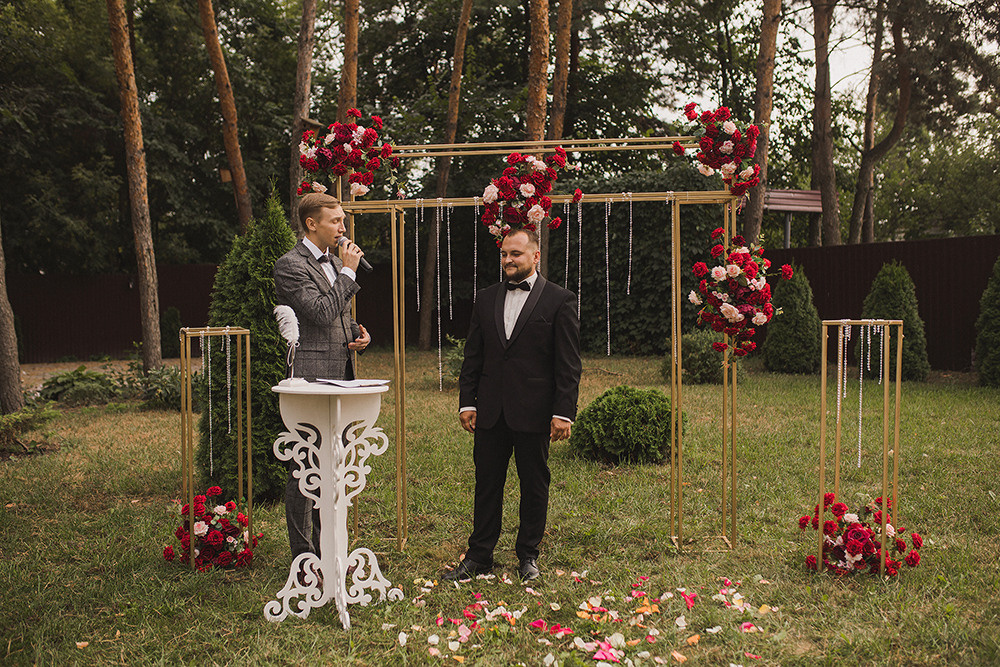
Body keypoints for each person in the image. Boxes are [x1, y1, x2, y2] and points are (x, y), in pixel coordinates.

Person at [445, 227, 582, 582]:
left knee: (534, 485)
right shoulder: (485, 298)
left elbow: (567, 364)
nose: (508, 260)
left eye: (516, 254)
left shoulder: (560, 300)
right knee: (486, 483)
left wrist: (563, 412)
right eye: (505, 254)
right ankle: (479, 556)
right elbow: (473, 356)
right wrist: (466, 402)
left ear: (535, 257)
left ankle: (528, 555)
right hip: (490, 410)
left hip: (535, 412)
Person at [273, 192, 370, 559]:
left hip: (341, 373)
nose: (343, 228)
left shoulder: (331, 261)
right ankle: (304, 557)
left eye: (343, 220)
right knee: (304, 470)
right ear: (312, 224)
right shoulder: (290, 265)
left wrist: (358, 332)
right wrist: (348, 272)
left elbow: (337, 317)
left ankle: (329, 548)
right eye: (336, 221)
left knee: (333, 467)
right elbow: (318, 312)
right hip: (311, 376)